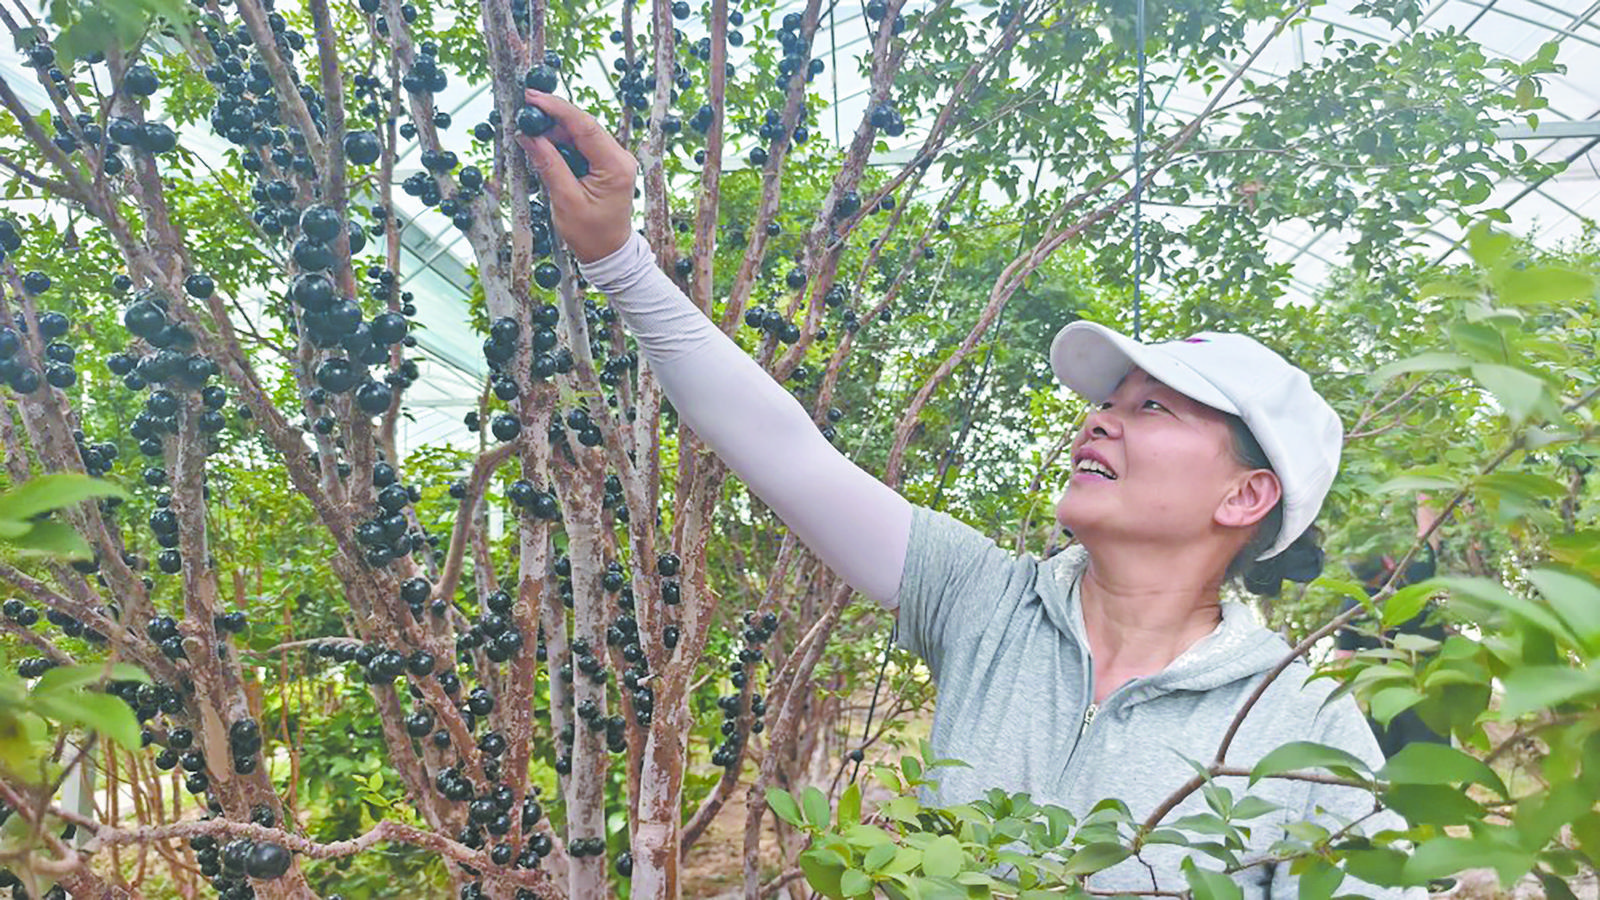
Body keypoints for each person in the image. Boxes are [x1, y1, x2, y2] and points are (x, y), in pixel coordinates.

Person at [514, 92, 1424, 899]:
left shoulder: (1302, 724)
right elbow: (785, 451)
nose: (1100, 421)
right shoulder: (987, 604)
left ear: (1246, 495)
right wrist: (620, 261)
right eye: (1108, 402)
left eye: (1152, 408)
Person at [1336, 497, 1451, 758]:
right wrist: (1424, 494)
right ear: (1388, 561)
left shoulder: (1352, 606)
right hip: (1427, 697)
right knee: (1431, 769)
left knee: (1385, 770)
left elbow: (1342, 663)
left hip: (1383, 701)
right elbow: (1428, 533)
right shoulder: (1414, 578)